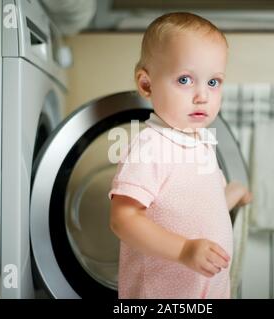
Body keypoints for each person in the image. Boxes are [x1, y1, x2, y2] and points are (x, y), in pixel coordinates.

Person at [108, 12, 252, 299]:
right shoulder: (150, 146)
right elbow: (123, 219)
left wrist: (232, 193)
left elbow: (200, 209)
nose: (203, 95)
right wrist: (184, 250)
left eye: (213, 82)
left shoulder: (201, 143)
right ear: (147, 85)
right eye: (185, 80)